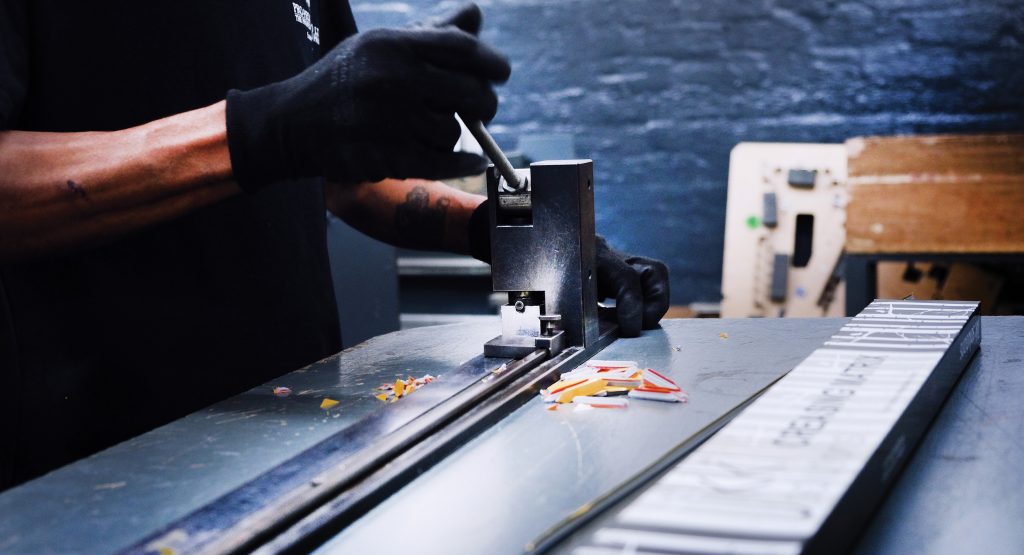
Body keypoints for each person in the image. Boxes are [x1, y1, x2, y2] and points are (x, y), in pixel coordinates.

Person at [0, 2, 669, 488]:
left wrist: (488, 226)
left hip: (292, 433)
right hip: (91, 466)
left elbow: (342, 178)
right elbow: (278, 135)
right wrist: (260, 130)